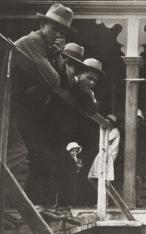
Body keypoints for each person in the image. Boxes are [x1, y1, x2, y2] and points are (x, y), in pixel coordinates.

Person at [7, 3, 76, 206]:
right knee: (18, 155)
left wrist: (57, 57)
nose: (57, 34)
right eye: (53, 28)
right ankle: (7, 209)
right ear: (42, 24)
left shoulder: (48, 49)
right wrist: (55, 58)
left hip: (21, 109)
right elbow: (53, 81)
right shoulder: (33, 42)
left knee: (39, 157)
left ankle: (15, 209)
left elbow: (68, 83)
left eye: (62, 31)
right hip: (6, 106)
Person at [88, 114, 120, 181]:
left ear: (112, 123)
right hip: (106, 150)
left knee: (103, 162)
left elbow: (106, 140)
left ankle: (103, 178)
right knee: (98, 159)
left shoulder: (115, 131)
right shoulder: (108, 130)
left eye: (109, 123)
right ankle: (97, 176)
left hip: (112, 152)